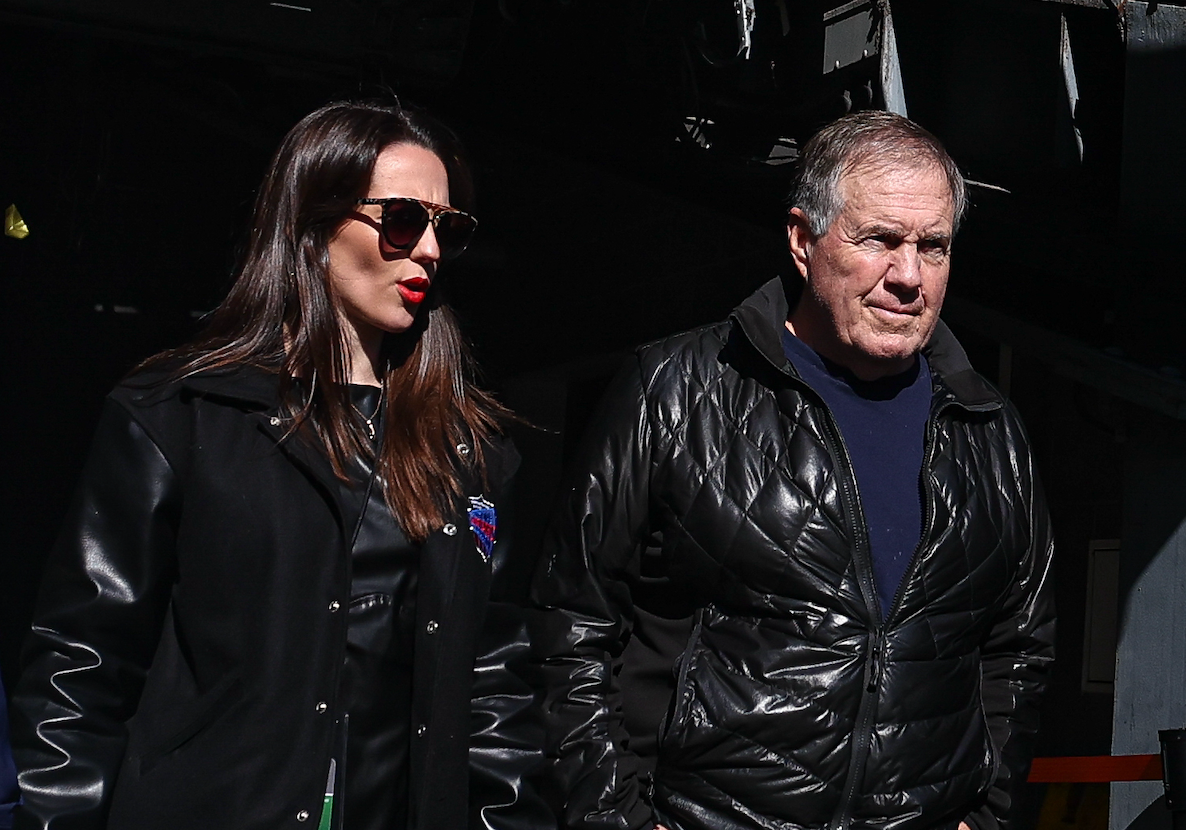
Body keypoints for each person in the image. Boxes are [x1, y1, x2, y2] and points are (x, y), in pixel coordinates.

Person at [10, 100, 551, 830]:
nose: (427, 249)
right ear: (312, 221)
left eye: (445, 228)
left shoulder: (471, 455)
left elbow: (493, 691)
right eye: (400, 218)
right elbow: (82, 665)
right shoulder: (183, 416)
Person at [532, 110, 1055, 830]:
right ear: (803, 242)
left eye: (932, 247)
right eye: (878, 240)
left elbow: (1020, 644)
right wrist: (613, 816)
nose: (908, 275)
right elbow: (573, 619)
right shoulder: (680, 390)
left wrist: (990, 812)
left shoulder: (989, 430)